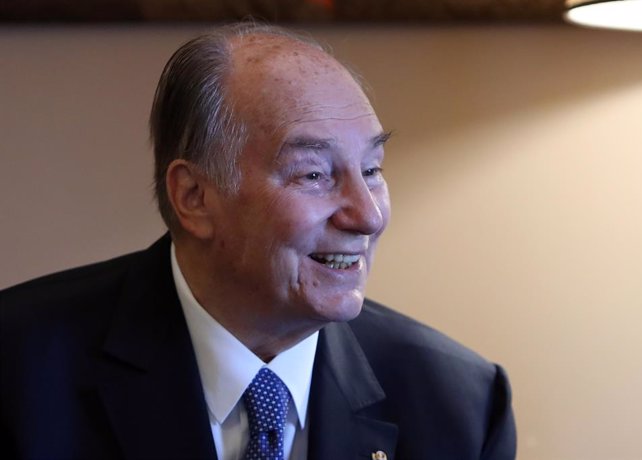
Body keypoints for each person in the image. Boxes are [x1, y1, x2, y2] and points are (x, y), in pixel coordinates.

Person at [0, 23, 516, 460]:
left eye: (372, 169)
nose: (368, 215)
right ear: (195, 196)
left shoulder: (460, 405)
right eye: (314, 175)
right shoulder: (19, 372)